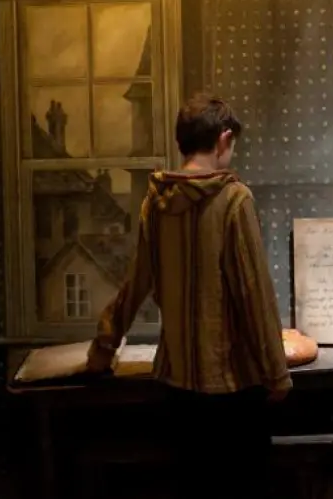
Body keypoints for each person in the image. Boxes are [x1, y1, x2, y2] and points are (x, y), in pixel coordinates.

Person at [86, 92, 291, 498]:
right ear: (223, 139)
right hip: (233, 388)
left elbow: (136, 282)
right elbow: (254, 294)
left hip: (177, 385)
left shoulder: (156, 201)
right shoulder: (234, 200)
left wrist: (104, 348)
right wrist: (277, 373)